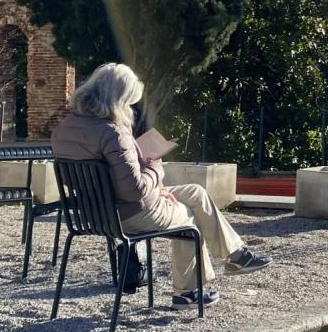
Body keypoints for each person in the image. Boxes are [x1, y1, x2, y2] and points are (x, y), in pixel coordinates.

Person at [51, 63, 269, 307]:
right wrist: (154, 167)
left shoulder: (64, 129)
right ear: (117, 98)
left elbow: (104, 179)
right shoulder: (113, 133)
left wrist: (154, 185)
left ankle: (236, 254)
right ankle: (187, 293)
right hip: (129, 213)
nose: (129, 107)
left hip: (95, 212)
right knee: (189, 219)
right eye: (128, 101)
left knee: (196, 193)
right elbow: (132, 190)